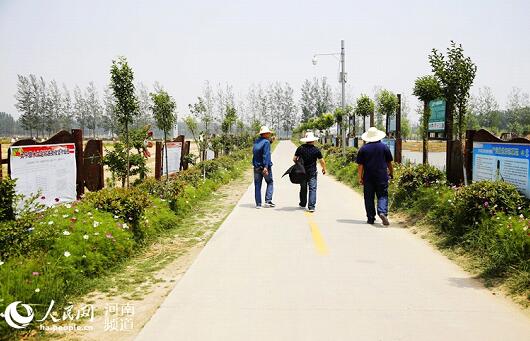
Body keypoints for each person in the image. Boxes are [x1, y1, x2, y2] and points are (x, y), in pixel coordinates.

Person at [356, 127, 394, 225]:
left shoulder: (363, 149)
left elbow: (360, 166)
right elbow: (389, 162)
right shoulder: (384, 147)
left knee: (369, 198)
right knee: (382, 195)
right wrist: (391, 173)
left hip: (368, 178)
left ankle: (370, 218)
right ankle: (382, 212)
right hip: (382, 177)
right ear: (379, 137)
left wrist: (360, 178)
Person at [294, 132, 326, 212]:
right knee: (312, 188)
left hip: (302, 172)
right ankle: (311, 207)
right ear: (313, 140)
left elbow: (294, 159)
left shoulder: (300, 148)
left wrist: (298, 165)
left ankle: (302, 203)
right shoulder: (316, 150)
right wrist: (324, 168)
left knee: (303, 188)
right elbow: (322, 161)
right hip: (312, 172)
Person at [252, 126, 274, 209]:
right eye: (268, 133)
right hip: (264, 166)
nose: (269, 134)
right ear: (265, 134)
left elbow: (257, 152)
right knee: (270, 182)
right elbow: (266, 155)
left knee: (257, 185)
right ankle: (268, 201)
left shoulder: (257, 141)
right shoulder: (266, 142)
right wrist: (266, 166)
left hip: (256, 166)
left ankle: (258, 204)